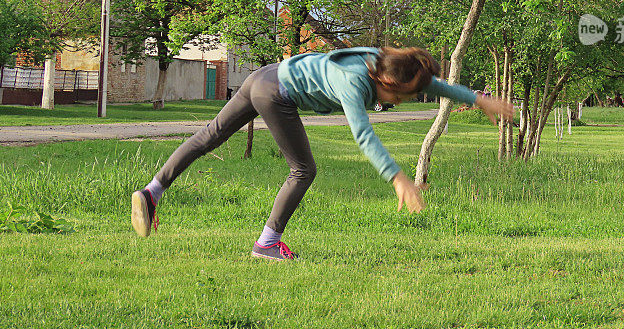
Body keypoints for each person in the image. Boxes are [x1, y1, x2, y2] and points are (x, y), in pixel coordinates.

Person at [131, 46, 512, 260]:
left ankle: (152, 191)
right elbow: (363, 135)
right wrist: (398, 178)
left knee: (207, 137)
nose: (399, 101)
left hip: (261, 77)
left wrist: (478, 99)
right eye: (398, 95)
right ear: (383, 81)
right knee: (303, 169)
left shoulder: (383, 61)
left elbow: (431, 82)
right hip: (276, 93)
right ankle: (266, 243)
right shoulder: (353, 82)